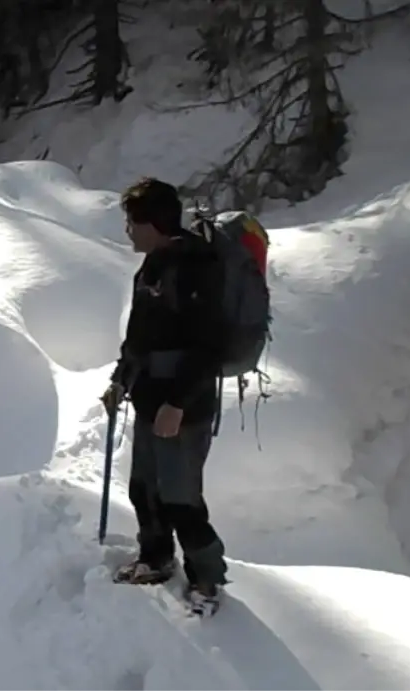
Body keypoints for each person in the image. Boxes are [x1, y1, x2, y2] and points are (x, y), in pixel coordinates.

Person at [102, 177, 228, 616]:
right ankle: (155, 558)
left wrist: (178, 403)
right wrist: (121, 379)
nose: (128, 231)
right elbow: (139, 338)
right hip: (150, 400)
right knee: (145, 488)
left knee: (181, 497)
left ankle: (207, 579)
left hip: (182, 407)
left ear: (153, 223)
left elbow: (209, 346)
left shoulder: (197, 267)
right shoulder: (153, 267)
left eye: (133, 222)